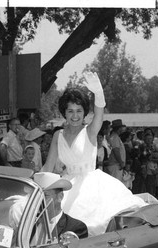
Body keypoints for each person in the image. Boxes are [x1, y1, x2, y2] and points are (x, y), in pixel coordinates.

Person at [41, 72, 148, 236]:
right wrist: (36, 185)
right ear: (64, 112)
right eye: (70, 111)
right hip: (67, 185)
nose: (75, 116)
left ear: (84, 113)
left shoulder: (90, 131)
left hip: (91, 186)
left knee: (94, 225)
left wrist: (98, 93)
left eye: (79, 111)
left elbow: (99, 113)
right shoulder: (58, 135)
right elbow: (48, 167)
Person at [33, 172, 88, 239]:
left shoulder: (75, 227)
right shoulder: (28, 223)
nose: (39, 200)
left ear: (60, 197)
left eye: (45, 196)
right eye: (36, 196)